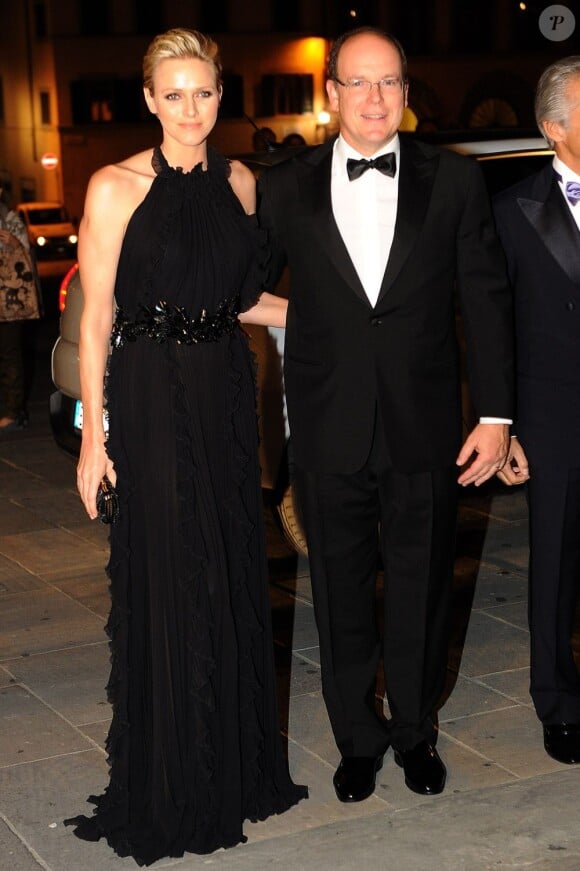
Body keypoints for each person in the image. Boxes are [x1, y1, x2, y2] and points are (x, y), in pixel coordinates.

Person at [65, 28, 306, 865]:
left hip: (223, 394)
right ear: (148, 99)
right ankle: (172, 782)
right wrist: (95, 436)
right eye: (174, 94)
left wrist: (343, 317)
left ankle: (231, 770)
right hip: (150, 397)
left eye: (204, 92)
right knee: (171, 577)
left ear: (219, 94)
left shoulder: (240, 182)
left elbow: (241, 299)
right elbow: (97, 319)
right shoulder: (113, 186)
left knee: (231, 567)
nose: (191, 109)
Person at [258, 26, 514, 803]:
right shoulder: (285, 184)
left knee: (423, 583)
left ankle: (414, 731)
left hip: (425, 423)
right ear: (330, 92)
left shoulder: (456, 180)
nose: (374, 98)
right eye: (358, 83)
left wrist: (497, 417)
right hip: (327, 422)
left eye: (390, 83)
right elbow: (242, 286)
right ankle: (357, 740)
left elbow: (487, 299)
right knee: (336, 590)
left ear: (408, 93)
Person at [493, 56, 580, 765]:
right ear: (554, 127)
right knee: (553, 562)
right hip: (554, 414)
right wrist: (507, 422)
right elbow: (497, 327)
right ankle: (556, 699)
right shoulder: (512, 209)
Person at [0, 188, 30, 432]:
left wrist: (14, 243)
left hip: (10, 303)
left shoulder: (11, 221)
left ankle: (14, 411)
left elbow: (25, 257)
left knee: (10, 353)